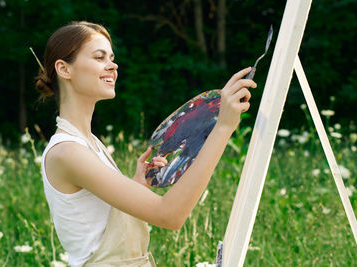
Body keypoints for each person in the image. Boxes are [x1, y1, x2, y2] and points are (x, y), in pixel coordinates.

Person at [34, 21, 256, 267]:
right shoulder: (67, 152)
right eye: (99, 57)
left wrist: (138, 184)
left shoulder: (90, 144)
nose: (113, 65)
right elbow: (170, 215)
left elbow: (96, 231)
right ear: (64, 69)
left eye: (112, 57)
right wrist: (223, 128)